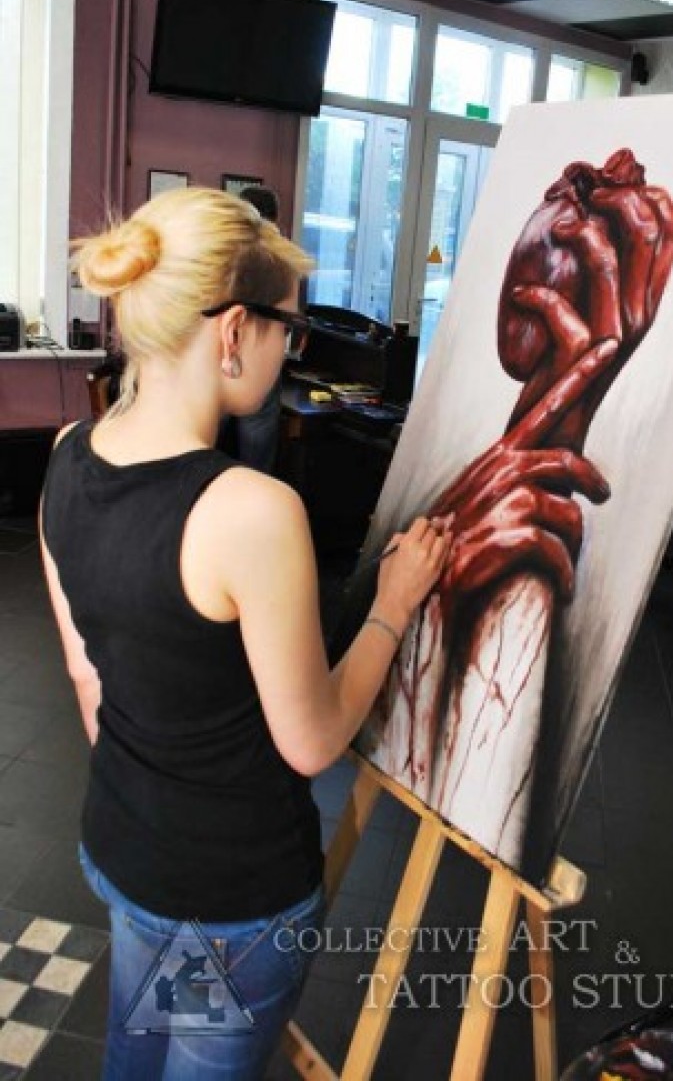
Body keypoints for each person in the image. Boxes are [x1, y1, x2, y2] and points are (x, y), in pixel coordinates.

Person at [39, 186, 451, 1080]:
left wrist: (154, 805)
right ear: (233, 331)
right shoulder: (251, 510)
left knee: (134, 1057)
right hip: (226, 900)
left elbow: (87, 677)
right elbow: (311, 741)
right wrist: (394, 603)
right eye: (288, 331)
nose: (289, 352)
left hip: (123, 848)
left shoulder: (68, 452)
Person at [220, 184, 286, 474]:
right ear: (275, 217)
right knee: (256, 461)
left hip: (221, 356)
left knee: (206, 450)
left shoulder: (225, 252)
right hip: (261, 361)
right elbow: (289, 323)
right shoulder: (283, 258)